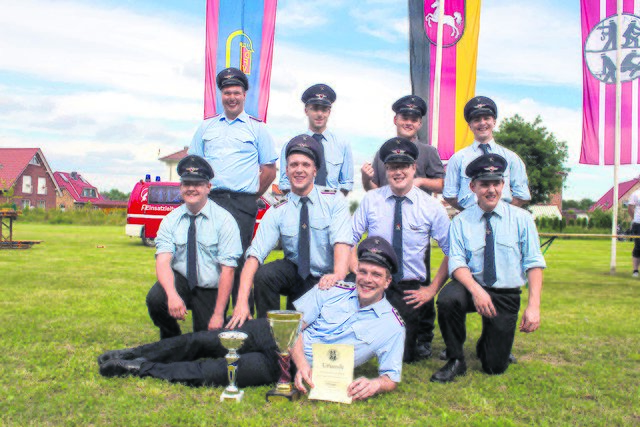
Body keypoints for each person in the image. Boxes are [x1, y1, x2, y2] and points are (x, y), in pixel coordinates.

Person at [97, 237, 405, 402]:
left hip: (284, 366)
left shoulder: (392, 327)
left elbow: (391, 376)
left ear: (388, 281)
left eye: (376, 274)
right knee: (202, 340)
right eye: (362, 271)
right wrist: (306, 362)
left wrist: (375, 384)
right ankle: (133, 352)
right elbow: (292, 324)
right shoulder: (333, 289)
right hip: (273, 333)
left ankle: (135, 368)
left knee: (213, 371)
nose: (366, 279)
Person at [431, 153, 546, 383]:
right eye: (484, 184)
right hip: (472, 287)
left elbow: (533, 263)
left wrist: (534, 306)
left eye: (496, 183)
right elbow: (457, 263)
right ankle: (455, 359)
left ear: (503, 185)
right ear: (473, 186)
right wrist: (477, 291)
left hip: (505, 293)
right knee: (447, 299)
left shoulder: (522, 219)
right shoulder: (461, 221)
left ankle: (488, 342)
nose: (491, 190)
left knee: (494, 366)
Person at [226, 134, 352, 327]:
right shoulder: (278, 209)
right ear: (286, 170)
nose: (299, 170)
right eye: (293, 165)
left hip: (328, 278)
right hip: (297, 275)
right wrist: (242, 301)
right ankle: (268, 334)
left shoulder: (334, 200)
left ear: (315, 170)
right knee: (265, 275)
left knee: (313, 342)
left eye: (305, 165)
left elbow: (342, 244)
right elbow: (254, 256)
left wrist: (337, 275)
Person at [352, 137, 450, 363]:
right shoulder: (371, 201)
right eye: (392, 166)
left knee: (403, 356)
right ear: (385, 170)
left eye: (404, 166)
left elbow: (452, 252)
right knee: (357, 346)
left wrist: (432, 290)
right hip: (371, 283)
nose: (398, 172)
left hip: (407, 289)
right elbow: (348, 240)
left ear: (414, 168)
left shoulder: (431, 207)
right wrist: (356, 271)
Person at [188, 67, 278, 312]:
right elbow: (194, 168)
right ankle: (209, 320)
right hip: (211, 201)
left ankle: (241, 321)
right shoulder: (205, 128)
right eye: (227, 92)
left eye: (236, 92)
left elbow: (269, 170)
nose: (232, 97)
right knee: (209, 259)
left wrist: (251, 195)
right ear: (221, 94)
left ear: (245, 94)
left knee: (238, 262)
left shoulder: (258, 129)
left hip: (242, 204)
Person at [145, 155, 242, 339]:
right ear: (180, 187)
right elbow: (163, 261)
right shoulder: (170, 220)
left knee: (206, 342)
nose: (191, 188)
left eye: (197, 184)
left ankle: (211, 327)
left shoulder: (225, 221)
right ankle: (171, 338)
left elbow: (228, 270)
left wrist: (218, 314)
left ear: (208, 187)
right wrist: (172, 295)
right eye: (186, 183)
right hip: (181, 280)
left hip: (210, 286)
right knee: (156, 299)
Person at [443, 96, 530, 212]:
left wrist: (503, 214)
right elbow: (450, 194)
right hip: (471, 222)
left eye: (486, 118)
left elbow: (522, 195)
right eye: (477, 119)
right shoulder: (458, 159)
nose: (482, 123)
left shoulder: (511, 158)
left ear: (494, 122)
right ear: (470, 125)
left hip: (503, 221)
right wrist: (470, 214)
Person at [279, 84, 354, 195]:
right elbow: (285, 183)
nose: (320, 114)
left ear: (329, 112)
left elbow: (346, 183)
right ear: (306, 111)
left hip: (330, 208)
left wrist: (333, 205)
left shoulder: (342, 145)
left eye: (324, 110)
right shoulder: (291, 145)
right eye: (315, 109)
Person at [361, 95, 444, 195]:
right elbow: (374, 190)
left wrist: (421, 181)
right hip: (386, 209)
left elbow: (443, 186)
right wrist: (366, 179)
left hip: (418, 209)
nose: (409, 123)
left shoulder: (428, 152)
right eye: (405, 118)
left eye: (413, 120)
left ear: (420, 124)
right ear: (395, 120)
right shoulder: (382, 153)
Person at [627, 188, 640, 277]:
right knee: (638, 247)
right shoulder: (636, 194)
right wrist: (634, 219)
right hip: (638, 223)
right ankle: (635, 271)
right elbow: (630, 208)